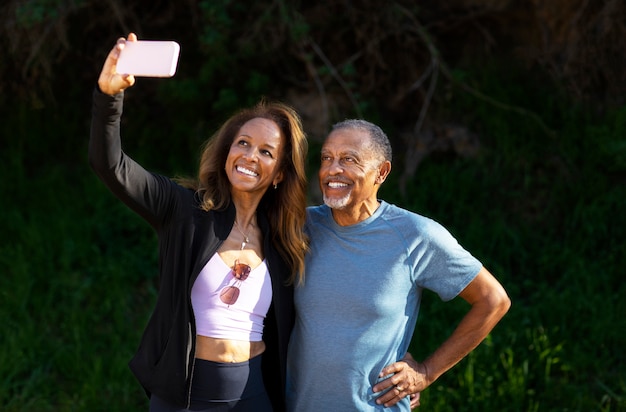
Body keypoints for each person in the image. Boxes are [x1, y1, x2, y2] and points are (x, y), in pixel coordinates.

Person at [89, 33, 308, 412]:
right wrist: (109, 98)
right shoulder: (184, 210)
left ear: (279, 174)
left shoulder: (288, 240)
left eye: (266, 151)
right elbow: (112, 166)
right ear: (227, 151)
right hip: (183, 397)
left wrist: (396, 358)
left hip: (254, 395)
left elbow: (340, 301)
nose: (249, 155)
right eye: (242, 143)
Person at [286, 119, 511, 411]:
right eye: (327, 158)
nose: (332, 170)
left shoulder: (415, 235)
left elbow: (493, 301)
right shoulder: (299, 228)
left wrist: (427, 372)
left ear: (381, 172)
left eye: (349, 159)